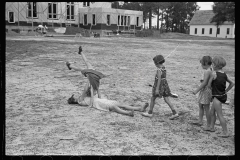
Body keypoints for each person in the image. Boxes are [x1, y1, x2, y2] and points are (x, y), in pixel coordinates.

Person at [66, 46, 145, 116]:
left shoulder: (86, 97)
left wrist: (90, 80)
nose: (76, 95)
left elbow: (92, 93)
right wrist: (89, 78)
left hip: (100, 100)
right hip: (99, 102)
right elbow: (86, 91)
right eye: (74, 96)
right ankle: (128, 113)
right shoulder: (80, 100)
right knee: (88, 68)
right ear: (74, 100)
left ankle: (139, 109)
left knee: (88, 66)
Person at [204, 56, 234, 138]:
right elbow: (232, 83)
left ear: (214, 65)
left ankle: (225, 132)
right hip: (222, 96)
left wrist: (211, 78)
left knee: (220, 115)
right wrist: (226, 91)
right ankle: (212, 127)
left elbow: (209, 86)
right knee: (212, 112)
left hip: (217, 97)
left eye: (212, 64)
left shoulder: (214, 74)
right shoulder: (224, 74)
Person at [141, 55, 179, 120]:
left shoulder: (159, 70)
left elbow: (159, 80)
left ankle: (150, 113)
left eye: (154, 63)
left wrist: (157, 89)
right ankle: (174, 113)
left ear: (157, 63)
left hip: (159, 86)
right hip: (165, 86)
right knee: (167, 99)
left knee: (153, 98)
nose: (154, 64)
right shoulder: (164, 67)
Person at [191, 56, 213, 129]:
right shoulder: (210, 69)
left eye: (201, 64)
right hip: (204, 90)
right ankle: (200, 121)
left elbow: (205, 83)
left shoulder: (207, 71)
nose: (201, 65)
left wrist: (197, 90)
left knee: (206, 108)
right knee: (200, 105)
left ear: (205, 63)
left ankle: (209, 125)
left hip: (206, 90)